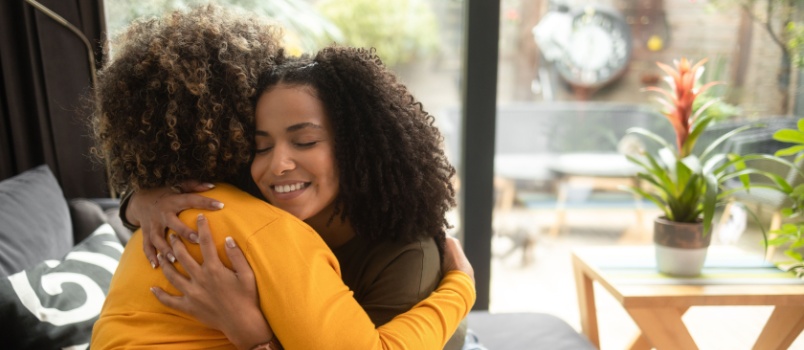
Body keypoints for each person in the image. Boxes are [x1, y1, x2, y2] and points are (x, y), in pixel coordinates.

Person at [89, 5, 473, 350]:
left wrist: (250, 332)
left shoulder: (404, 256)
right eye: (259, 146)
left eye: (305, 141)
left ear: (357, 146)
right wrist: (142, 202)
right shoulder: (230, 207)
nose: (278, 165)